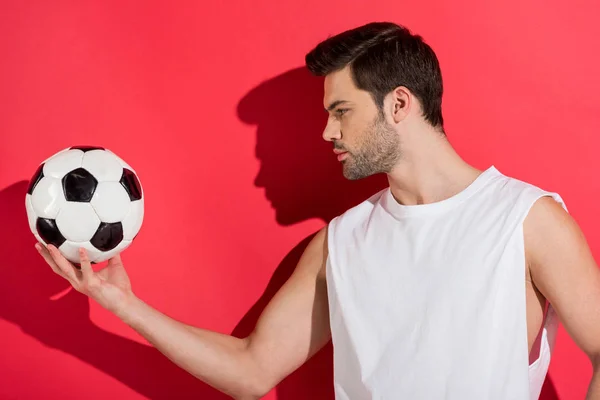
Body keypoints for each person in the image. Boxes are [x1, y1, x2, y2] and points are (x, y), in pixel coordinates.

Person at [36, 22, 600, 399]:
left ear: (399, 103)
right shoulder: (341, 241)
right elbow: (252, 371)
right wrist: (123, 305)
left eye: (341, 110)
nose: (327, 131)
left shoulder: (525, 218)